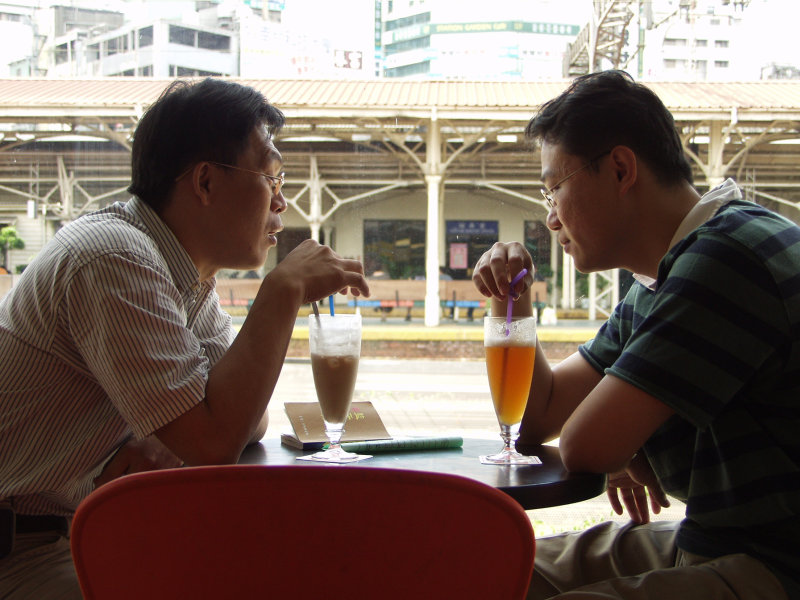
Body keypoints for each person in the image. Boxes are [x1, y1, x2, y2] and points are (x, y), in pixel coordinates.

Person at [0, 78, 369, 599]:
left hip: (74, 532)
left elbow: (245, 422)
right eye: (272, 177)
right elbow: (214, 443)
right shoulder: (113, 256)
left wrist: (178, 432)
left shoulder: (185, 276)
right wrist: (282, 289)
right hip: (21, 554)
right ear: (205, 183)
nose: (282, 203)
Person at [473, 70, 799, 599]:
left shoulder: (729, 256)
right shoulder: (659, 279)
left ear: (621, 168)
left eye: (553, 188)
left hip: (775, 563)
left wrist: (624, 441)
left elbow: (583, 447)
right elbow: (537, 417)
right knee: (483, 567)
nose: (550, 219)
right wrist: (511, 297)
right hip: (715, 541)